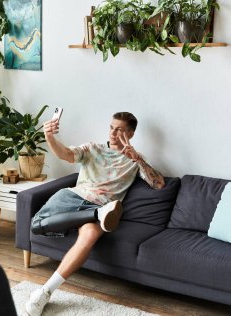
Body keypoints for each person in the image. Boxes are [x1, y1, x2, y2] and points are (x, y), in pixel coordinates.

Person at [25, 112, 165, 316]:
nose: (113, 133)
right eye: (111, 127)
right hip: (74, 197)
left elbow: (159, 184)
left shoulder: (135, 159)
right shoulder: (93, 148)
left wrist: (137, 159)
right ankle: (98, 214)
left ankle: (45, 292)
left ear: (131, 134)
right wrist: (49, 137)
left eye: (120, 130)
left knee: (89, 235)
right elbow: (65, 154)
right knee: (36, 225)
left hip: (102, 207)